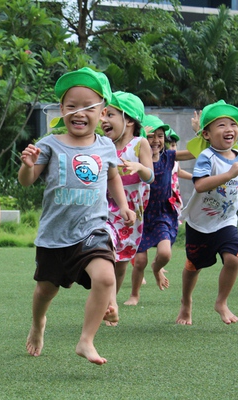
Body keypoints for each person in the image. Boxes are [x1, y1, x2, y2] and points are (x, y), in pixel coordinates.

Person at [18, 68, 136, 364]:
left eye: (88, 107)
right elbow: (27, 181)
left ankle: (86, 340)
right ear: (61, 110)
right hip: (54, 235)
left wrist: (122, 206)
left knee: (106, 277)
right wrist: (27, 165)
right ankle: (38, 323)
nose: (79, 112)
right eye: (72, 106)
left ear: (102, 112)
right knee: (45, 290)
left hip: (92, 230)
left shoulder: (106, 146)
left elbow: (112, 178)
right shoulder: (50, 144)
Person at [177, 100, 238, 325]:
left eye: (233, 125)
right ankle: (186, 302)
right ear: (207, 134)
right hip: (200, 223)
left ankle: (221, 302)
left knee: (234, 258)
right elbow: (200, 184)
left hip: (226, 221)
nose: (229, 130)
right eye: (221, 125)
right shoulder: (207, 156)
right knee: (193, 266)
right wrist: (229, 175)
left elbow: (234, 178)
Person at [126, 115, 195, 306]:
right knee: (139, 262)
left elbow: (192, 152)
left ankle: (156, 269)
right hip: (142, 214)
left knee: (165, 253)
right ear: (141, 140)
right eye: (150, 136)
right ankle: (134, 294)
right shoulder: (134, 159)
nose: (156, 141)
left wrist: (200, 133)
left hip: (162, 213)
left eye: (160, 136)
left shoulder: (169, 157)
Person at [100, 91, 153, 316]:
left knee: (121, 263)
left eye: (110, 115)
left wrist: (139, 168)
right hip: (106, 207)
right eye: (102, 115)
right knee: (108, 252)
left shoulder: (140, 144)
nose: (103, 120)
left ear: (129, 120)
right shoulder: (103, 144)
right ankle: (108, 302)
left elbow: (150, 176)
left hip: (132, 212)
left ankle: (109, 305)